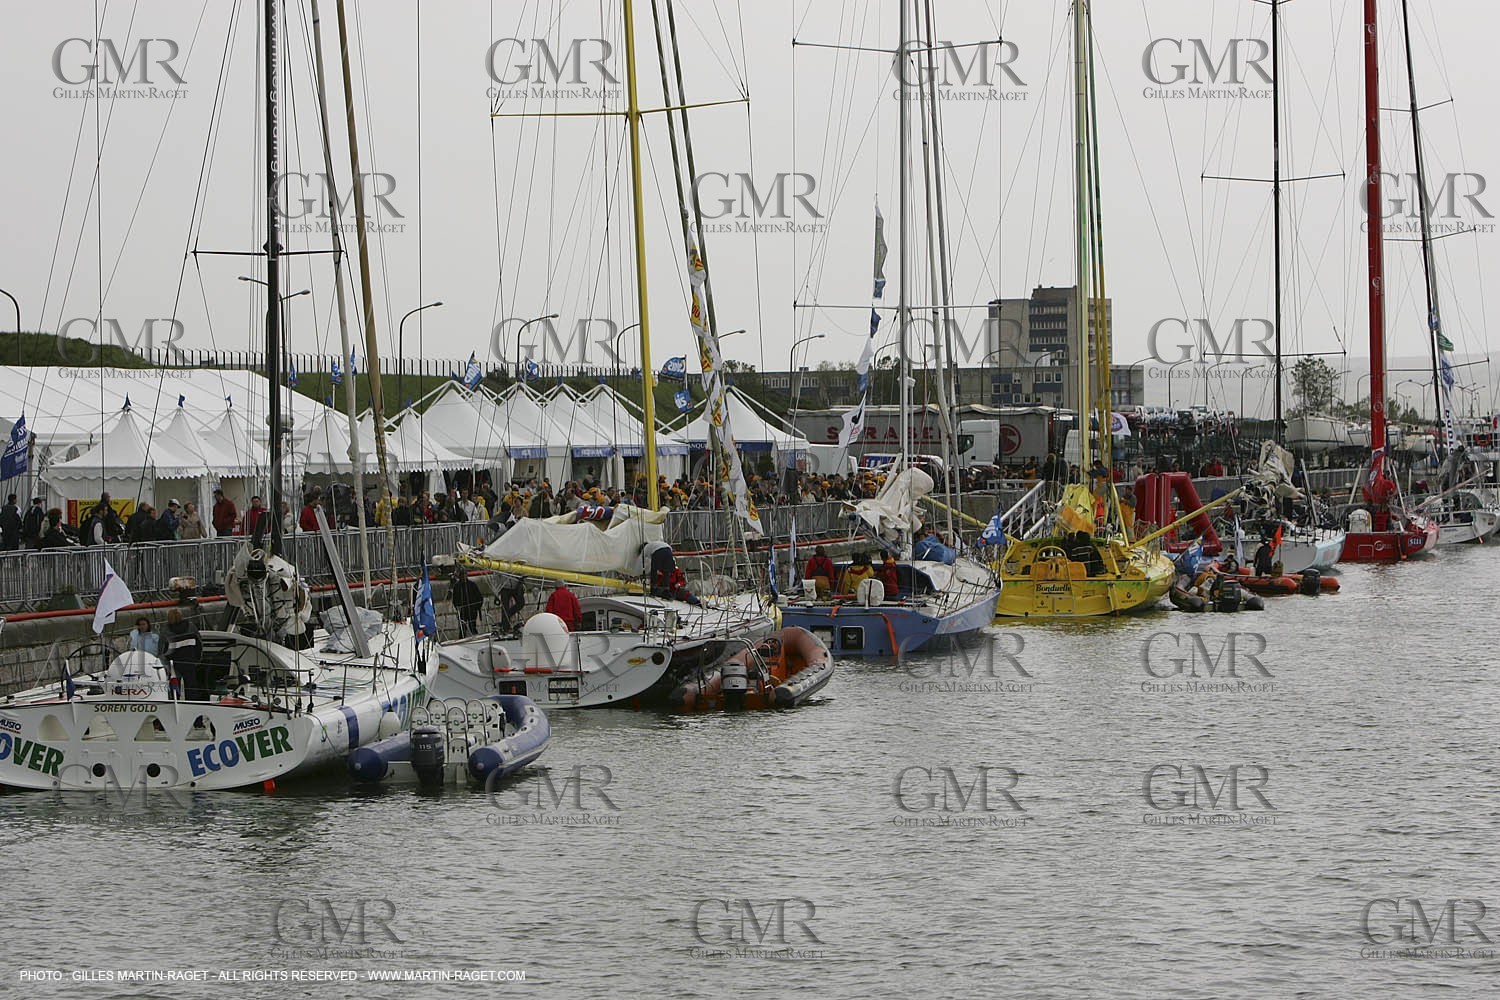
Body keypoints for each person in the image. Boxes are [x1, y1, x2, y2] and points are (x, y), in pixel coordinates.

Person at [162, 607, 203, 700]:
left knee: (174, 686)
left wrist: (165, 664)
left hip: (173, 663)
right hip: (189, 661)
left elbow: (162, 649)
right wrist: (197, 659)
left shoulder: (166, 631)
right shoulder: (191, 627)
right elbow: (199, 644)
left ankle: (174, 702)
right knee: (191, 686)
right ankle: (193, 704)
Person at [450, 567, 484, 638]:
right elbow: (455, 599)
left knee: (472, 626)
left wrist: (476, 607)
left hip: (472, 609)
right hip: (463, 610)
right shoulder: (457, 586)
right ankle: (462, 638)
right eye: (462, 575)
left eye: (464, 574)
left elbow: (479, 597)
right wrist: (457, 607)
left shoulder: (472, 585)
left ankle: (475, 637)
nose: (463, 576)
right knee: (462, 628)